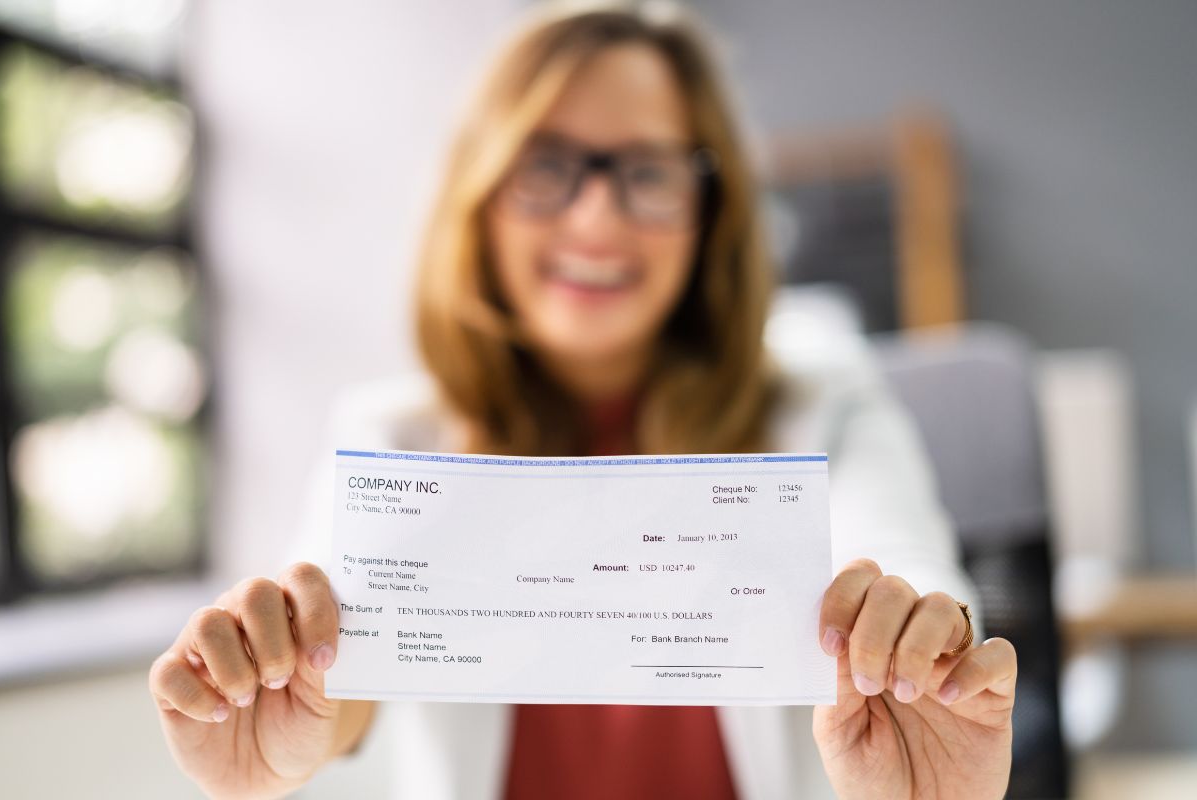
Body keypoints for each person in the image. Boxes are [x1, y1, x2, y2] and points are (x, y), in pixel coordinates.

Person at [148, 3, 1017, 798]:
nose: (597, 218)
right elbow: (343, 661)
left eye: (648, 172)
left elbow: (900, 556)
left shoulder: (825, 399)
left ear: (708, 213)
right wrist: (276, 715)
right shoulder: (388, 435)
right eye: (546, 166)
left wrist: (920, 657)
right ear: (480, 199)